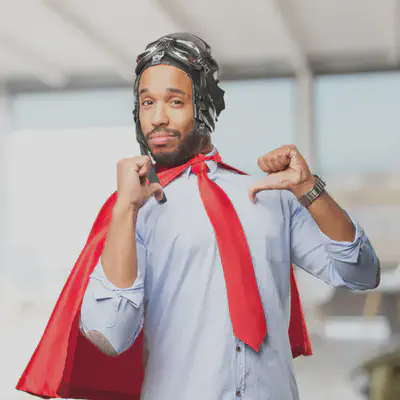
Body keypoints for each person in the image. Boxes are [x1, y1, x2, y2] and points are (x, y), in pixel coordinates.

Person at [17, 33, 380, 400]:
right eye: (147, 103)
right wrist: (125, 212)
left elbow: (362, 273)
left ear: (204, 104)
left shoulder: (272, 197)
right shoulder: (134, 210)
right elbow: (110, 334)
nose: (158, 118)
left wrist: (309, 190)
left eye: (175, 101)